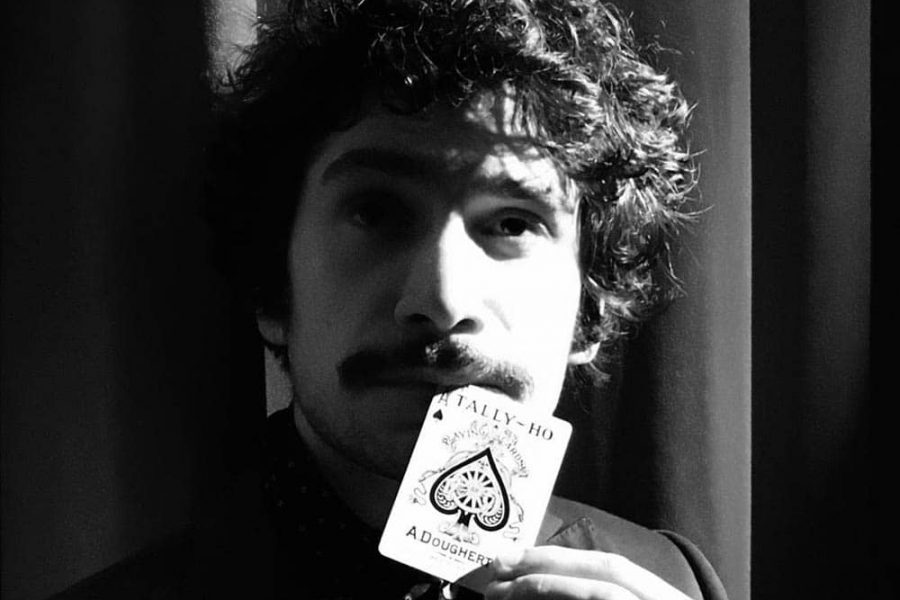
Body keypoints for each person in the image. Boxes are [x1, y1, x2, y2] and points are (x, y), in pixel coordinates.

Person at [56, 1, 728, 598]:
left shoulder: (673, 578)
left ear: (589, 312)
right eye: (376, 212)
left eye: (513, 223)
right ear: (272, 290)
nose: (442, 300)